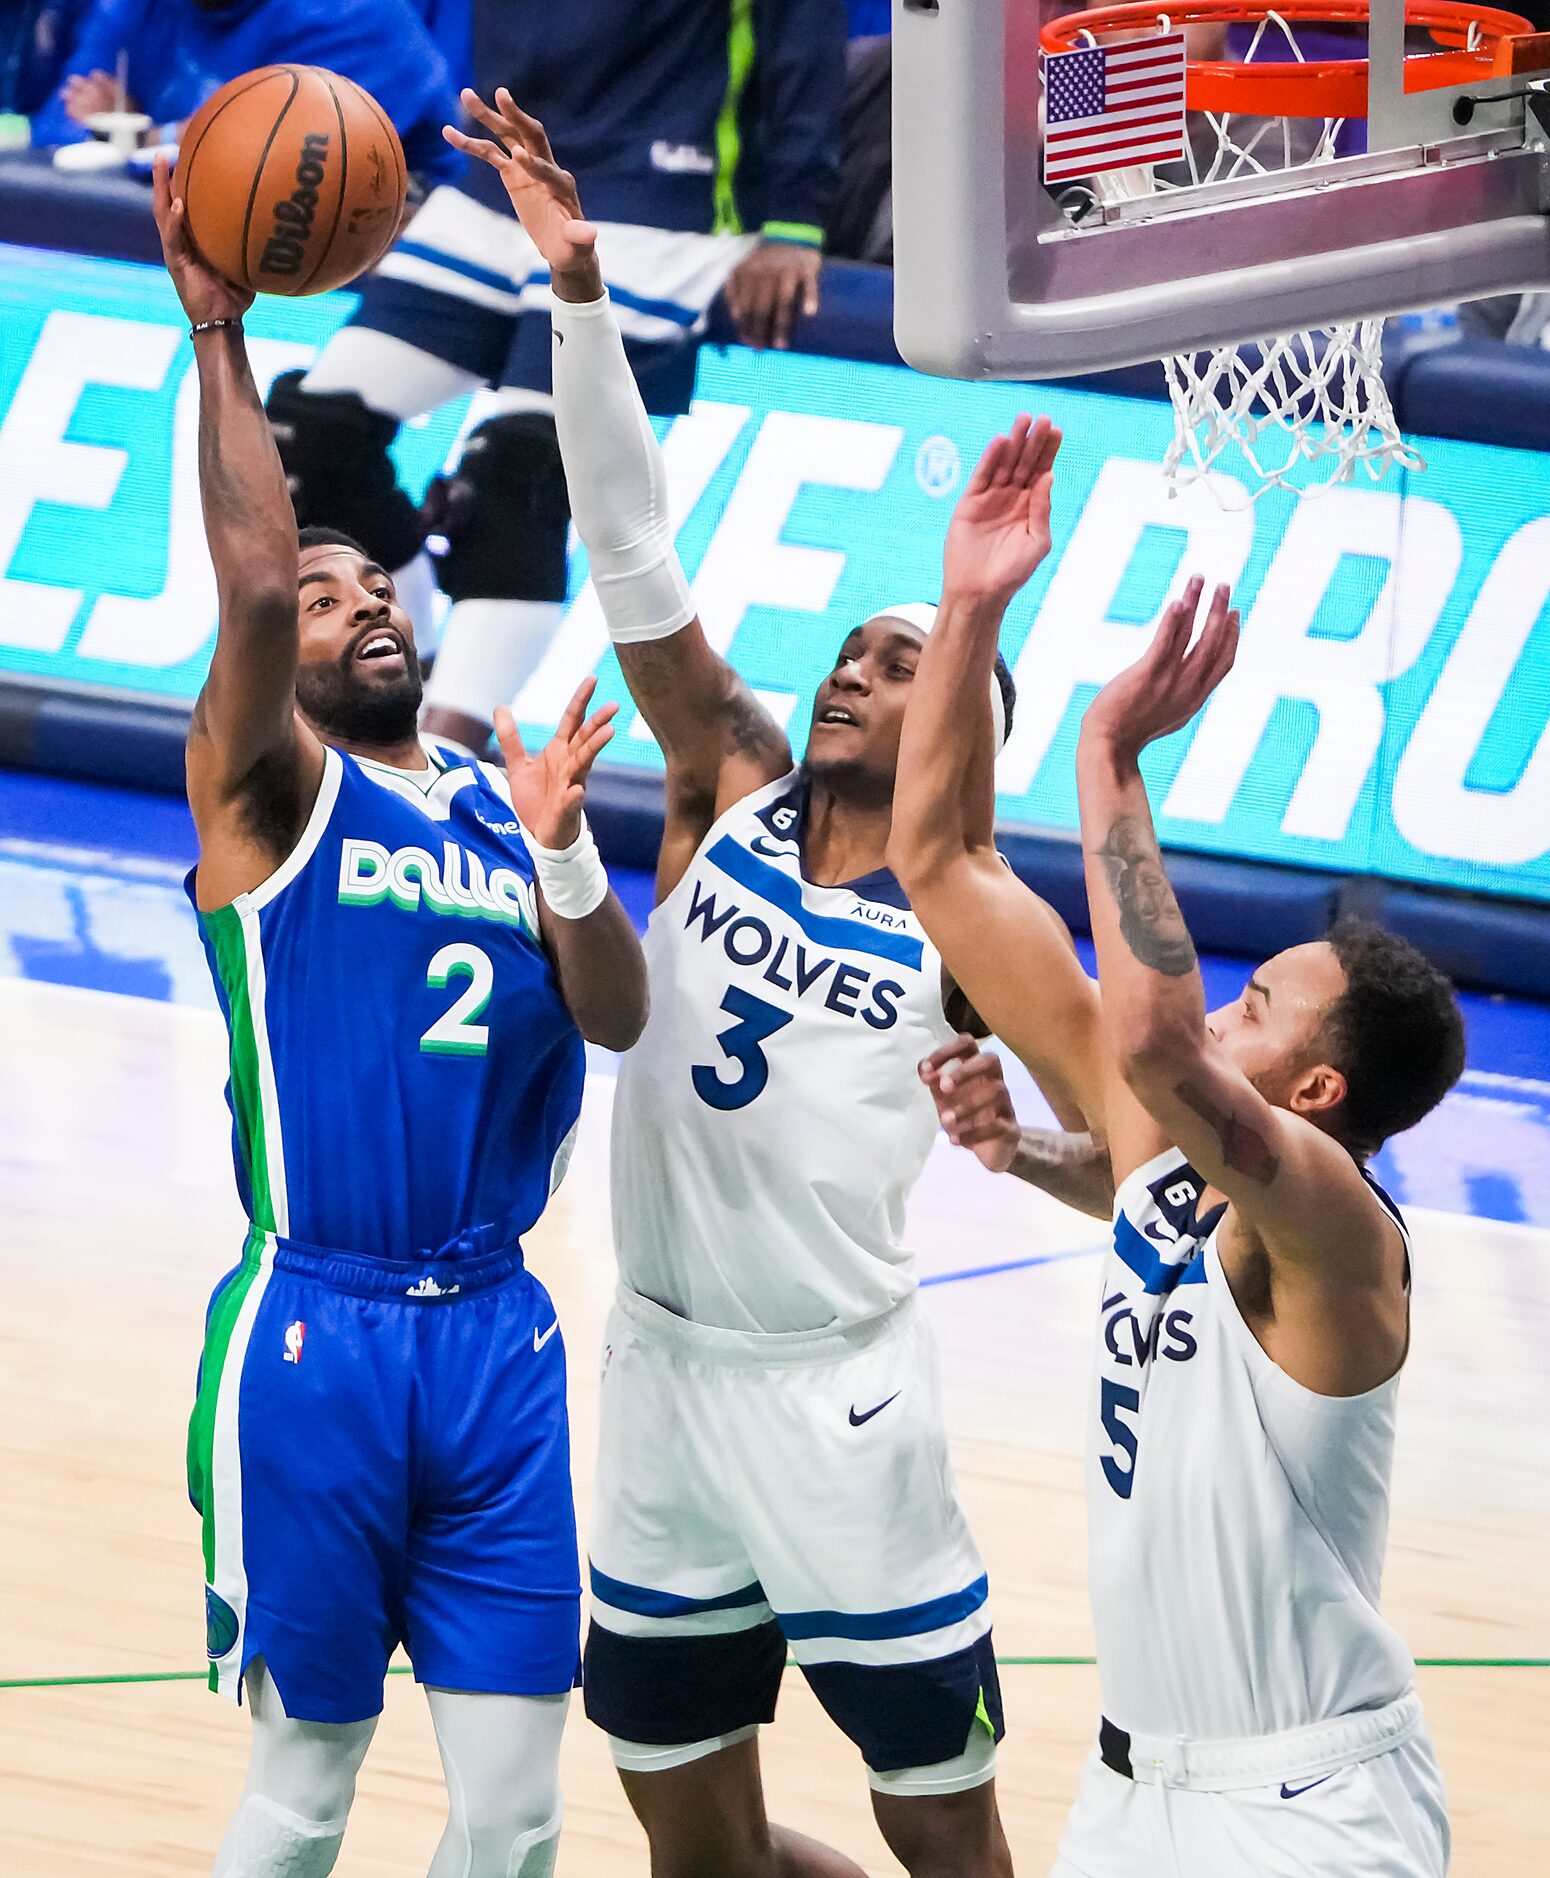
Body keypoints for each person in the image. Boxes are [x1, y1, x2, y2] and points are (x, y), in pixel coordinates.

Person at [441, 87, 1065, 1878]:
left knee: (945, 1827)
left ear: (966, 731)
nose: (866, 670)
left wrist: (1022, 1143)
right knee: (685, 1829)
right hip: (664, 1376)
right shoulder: (727, 770)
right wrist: (576, 298)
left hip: (842, 1402)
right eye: (858, 650)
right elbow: (629, 544)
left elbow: (1121, 1135)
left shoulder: (980, 919)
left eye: (911, 659)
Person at [151, 151, 648, 1878]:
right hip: (319, 1339)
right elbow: (248, 570)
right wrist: (222, 336)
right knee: (307, 1788)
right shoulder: (268, 797)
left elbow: (615, 1016)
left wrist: (570, 856)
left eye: (381, 592)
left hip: (501, 1342)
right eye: (327, 597)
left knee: (517, 1812)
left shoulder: (492, 802)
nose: (364, 606)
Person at [888, 468, 1466, 1876]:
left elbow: (1149, 1042)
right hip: (1128, 1787)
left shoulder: (1339, 1228)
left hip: (1304, 1809)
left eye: (1257, 1001)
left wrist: (1108, 751)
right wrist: (968, 605)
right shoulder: (1178, 1173)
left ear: (1316, 1091)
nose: (1222, 1008)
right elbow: (940, 862)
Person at [267, 0, 847, 758]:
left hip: (660, 201)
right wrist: (388, 177)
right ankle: (406, 677)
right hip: (497, 180)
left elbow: (804, 31)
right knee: (304, 439)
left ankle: (441, 767)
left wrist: (798, 218)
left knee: (517, 478)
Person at [31, 0, 461, 185]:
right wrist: (176, 137)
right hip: (191, 253)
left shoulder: (351, 15)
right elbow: (54, 127)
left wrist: (134, 134)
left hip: (382, 264)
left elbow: (268, 171)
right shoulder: (138, 6)